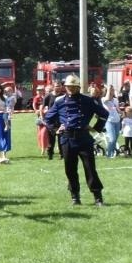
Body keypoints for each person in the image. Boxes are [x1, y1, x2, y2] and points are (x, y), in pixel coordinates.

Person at [42, 75, 106, 206]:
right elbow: (47, 118)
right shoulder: (59, 102)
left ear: (78, 87)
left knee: (90, 169)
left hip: (84, 138)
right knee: (70, 169)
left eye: (73, 87)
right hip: (67, 138)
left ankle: (98, 197)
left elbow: (104, 114)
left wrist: (95, 129)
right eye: (68, 87)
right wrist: (55, 129)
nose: (70, 89)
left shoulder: (87, 100)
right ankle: (75, 197)